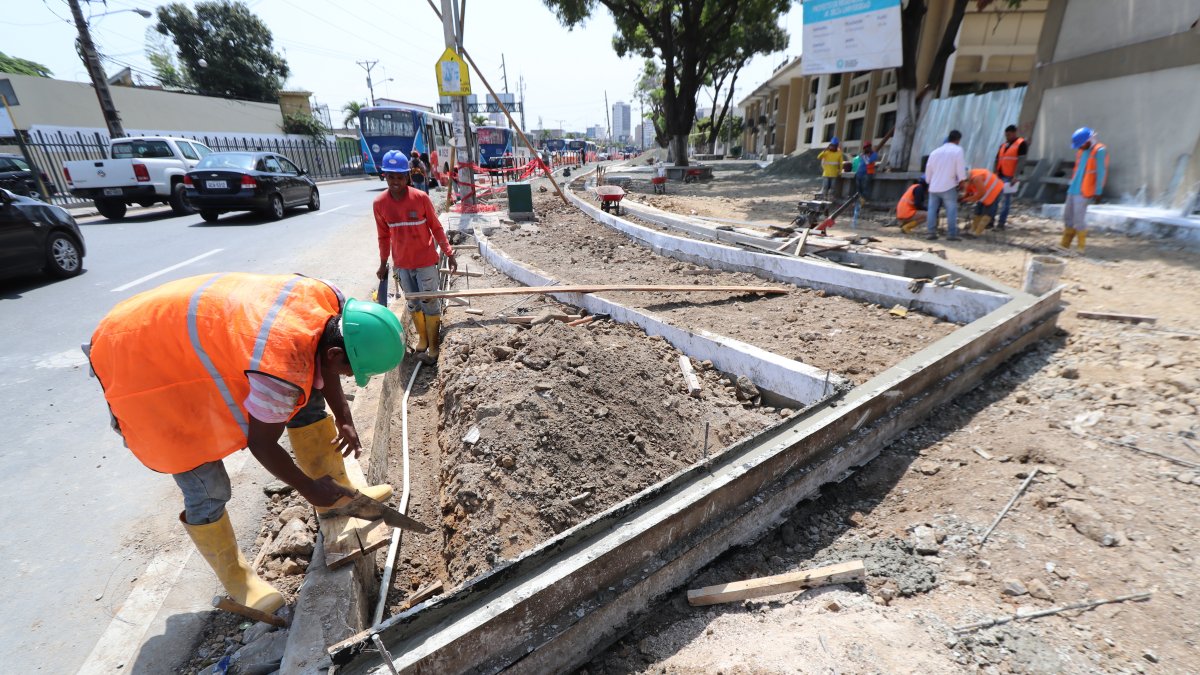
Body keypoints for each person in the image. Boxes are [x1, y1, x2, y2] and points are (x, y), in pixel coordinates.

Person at [86, 273, 405, 612]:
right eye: (349, 372)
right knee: (201, 475)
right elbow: (262, 444)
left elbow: (322, 366)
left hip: (179, 328)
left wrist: (344, 416)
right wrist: (307, 488)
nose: (348, 378)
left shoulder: (330, 301)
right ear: (336, 352)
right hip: (135, 355)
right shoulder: (280, 367)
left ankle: (335, 498)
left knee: (306, 393)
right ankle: (238, 580)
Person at [374, 150, 457, 361]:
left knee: (429, 301)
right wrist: (383, 264)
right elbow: (383, 237)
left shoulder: (420, 198)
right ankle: (423, 339)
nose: (395, 181)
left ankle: (434, 345)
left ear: (408, 176)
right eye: (390, 176)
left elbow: (436, 228)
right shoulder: (380, 204)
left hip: (425, 262)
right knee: (413, 303)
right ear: (385, 176)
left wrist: (449, 252)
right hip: (402, 264)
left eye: (399, 177)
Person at [1062, 126, 1108, 253]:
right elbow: (1077, 169)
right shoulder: (1081, 151)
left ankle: (1080, 247)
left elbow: (1101, 172)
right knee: (1067, 217)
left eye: (1081, 145)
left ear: (1088, 141)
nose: (1080, 148)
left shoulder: (1099, 151)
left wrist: (1098, 191)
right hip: (1073, 188)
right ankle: (1065, 244)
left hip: (1084, 191)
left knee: (1079, 219)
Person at [924, 130, 968, 241]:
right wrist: (962, 181)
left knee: (932, 210)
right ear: (958, 140)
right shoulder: (958, 150)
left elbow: (928, 169)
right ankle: (951, 234)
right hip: (948, 185)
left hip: (934, 186)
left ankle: (931, 232)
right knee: (951, 210)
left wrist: (929, 182)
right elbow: (960, 168)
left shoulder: (935, 152)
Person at [993, 124, 1027, 229]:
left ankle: (1001, 223)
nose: (1007, 137)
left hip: (1010, 177)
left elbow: (1021, 161)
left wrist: (1016, 176)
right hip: (1000, 175)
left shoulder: (1021, 143)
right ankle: (990, 221)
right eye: (1006, 135)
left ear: (1014, 133)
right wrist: (995, 173)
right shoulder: (1003, 145)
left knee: (1006, 200)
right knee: (994, 198)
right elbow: (997, 159)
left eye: (1008, 135)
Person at [961, 167, 1005, 236]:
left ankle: (977, 232)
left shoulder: (976, 178)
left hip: (995, 189)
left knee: (988, 211)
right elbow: (968, 190)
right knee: (978, 209)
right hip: (986, 189)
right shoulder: (970, 177)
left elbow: (981, 193)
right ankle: (973, 229)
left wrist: (969, 199)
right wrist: (964, 197)